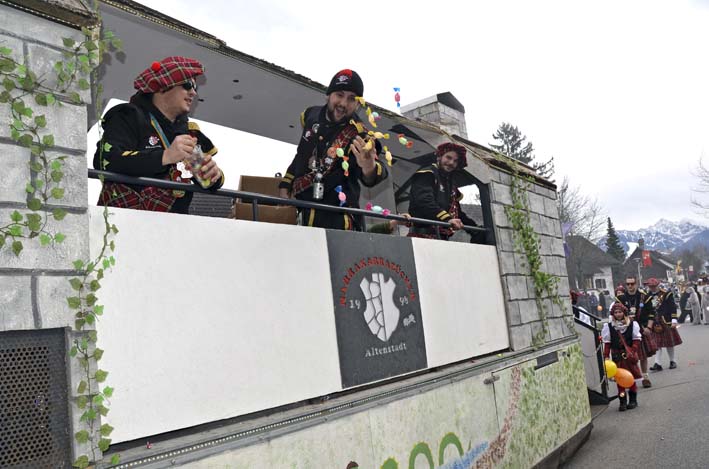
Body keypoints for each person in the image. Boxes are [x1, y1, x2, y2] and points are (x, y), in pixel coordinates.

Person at [94, 56, 224, 213]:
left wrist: (214, 175)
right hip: (125, 221)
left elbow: (208, 182)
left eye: (195, 88)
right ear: (163, 87)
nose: (193, 93)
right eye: (187, 85)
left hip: (176, 224)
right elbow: (104, 160)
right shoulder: (128, 116)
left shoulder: (190, 132)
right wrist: (165, 156)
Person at [278, 69, 387, 230]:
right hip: (301, 213)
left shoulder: (361, 136)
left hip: (338, 222)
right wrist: (285, 184)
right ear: (328, 95)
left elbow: (376, 174)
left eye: (351, 99)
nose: (343, 103)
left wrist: (369, 168)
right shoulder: (309, 115)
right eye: (339, 95)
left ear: (358, 105)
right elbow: (302, 154)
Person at [407, 142, 483, 241]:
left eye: (455, 161)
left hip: (442, 239)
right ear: (439, 156)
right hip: (420, 238)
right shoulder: (427, 174)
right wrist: (447, 219)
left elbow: (457, 213)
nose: (451, 163)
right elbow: (425, 202)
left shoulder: (451, 184)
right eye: (448, 157)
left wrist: (475, 230)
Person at [602, 302, 642, 411]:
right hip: (617, 356)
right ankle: (622, 401)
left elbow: (636, 339)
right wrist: (606, 356)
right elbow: (607, 343)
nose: (618, 314)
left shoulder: (632, 324)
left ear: (624, 312)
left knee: (631, 378)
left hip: (629, 356)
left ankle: (633, 400)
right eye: (615, 312)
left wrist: (632, 351)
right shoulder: (609, 327)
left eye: (619, 312)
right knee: (620, 380)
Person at [616, 275, 655, 388]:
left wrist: (649, 327)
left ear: (636, 284)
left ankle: (645, 377)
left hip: (641, 329)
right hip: (626, 330)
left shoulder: (644, 297)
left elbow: (652, 313)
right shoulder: (621, 298)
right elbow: (615, 313)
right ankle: (631, 379)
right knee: (629, 356)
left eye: (632, 284)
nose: (630, 286)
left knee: (643, 356)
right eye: (628, 284)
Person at [646, 277, 683, 371]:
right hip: (653, 321)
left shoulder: (666, 294)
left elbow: (672, 307)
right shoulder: (647, 296)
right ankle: (657, 363)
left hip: (665, 320)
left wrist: (674, 320)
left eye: (654, 286)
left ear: (658, 285)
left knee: (669, 343)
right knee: (656, 344)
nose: (652, 288)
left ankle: (672, 361)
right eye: (650, 286)